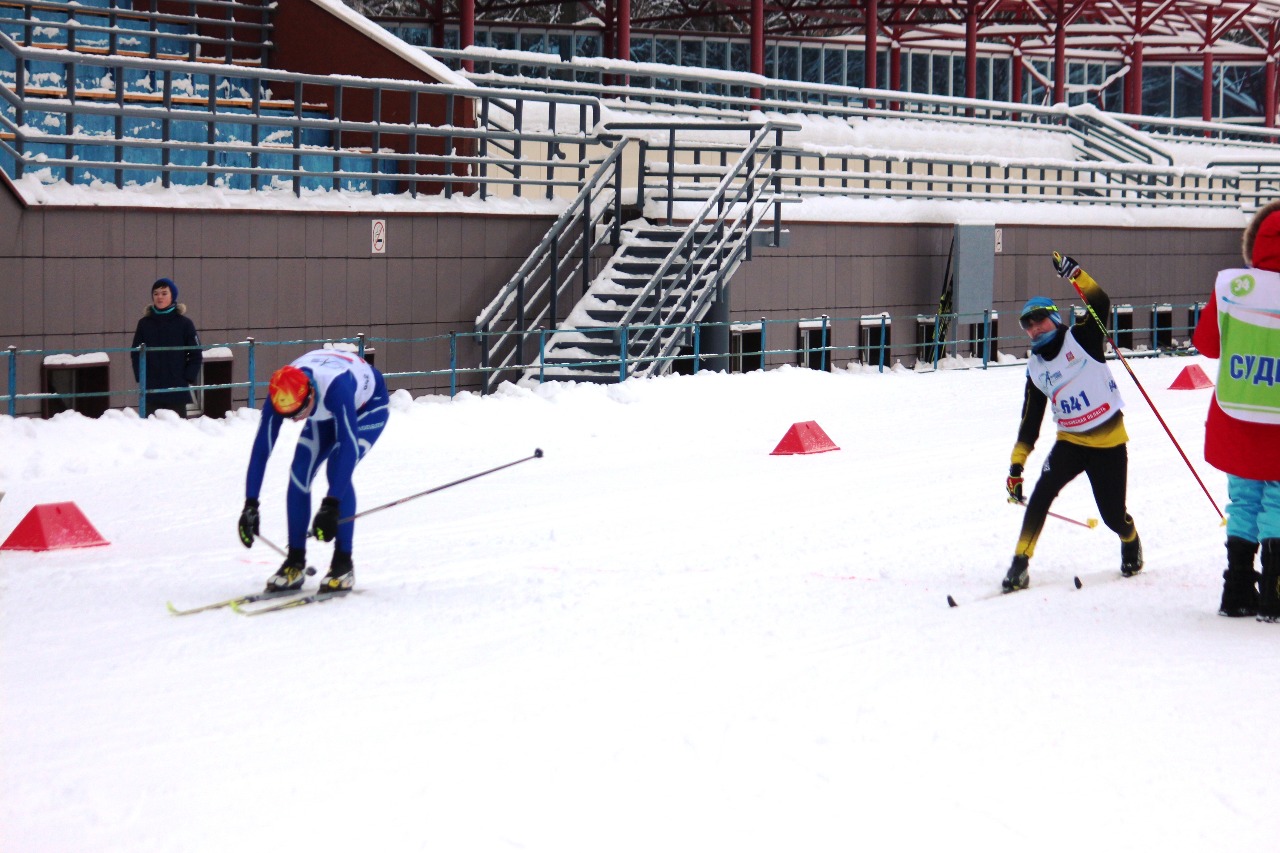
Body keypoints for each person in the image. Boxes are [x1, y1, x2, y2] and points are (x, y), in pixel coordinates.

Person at [1002, 273, 1143, 592]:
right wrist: (1017, 464)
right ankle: (1019, 564)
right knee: (1040, 495)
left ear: (1053, 317)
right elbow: (1030, 420)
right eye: (1028, 324)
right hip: (1071, 442)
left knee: (1112, 516)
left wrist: (1074, 273)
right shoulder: (1035, 367)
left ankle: (1130, 538)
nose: (1034, 328)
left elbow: (1100, 302)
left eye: (1039, 320)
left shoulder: (1082, 337)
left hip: (1109, 442)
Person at [237, 348, 390, 594]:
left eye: (299, 413)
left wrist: (331, 505)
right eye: (290, 416)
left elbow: (349, 447)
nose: (296, 420)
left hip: (366, 406)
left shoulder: (336, 388)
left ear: (309, 394)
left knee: (338, 466)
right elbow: (261, 449)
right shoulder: (281, 391)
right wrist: (250, 504)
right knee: (299, 470)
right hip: (324, 407)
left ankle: (343, 563)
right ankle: (294, 561)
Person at [1192, 200, 1280, 621]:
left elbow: (1207, 344)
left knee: (1243, 501)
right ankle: (1276, 593)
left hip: (1237, 414)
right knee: (1279, 501)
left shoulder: (1232, 286)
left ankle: (1238, 592)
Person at [130, 277, 202, 417]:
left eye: (164, 293)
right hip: (151, 390)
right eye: (156, 293)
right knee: (150, 432)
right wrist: (141, 377)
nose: (159, 297)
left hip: (176, 390)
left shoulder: (185, 324)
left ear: (172, 296)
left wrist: (187, 377)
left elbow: (196, 354)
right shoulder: (144, 324)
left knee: (176, 432)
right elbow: (135, 352)